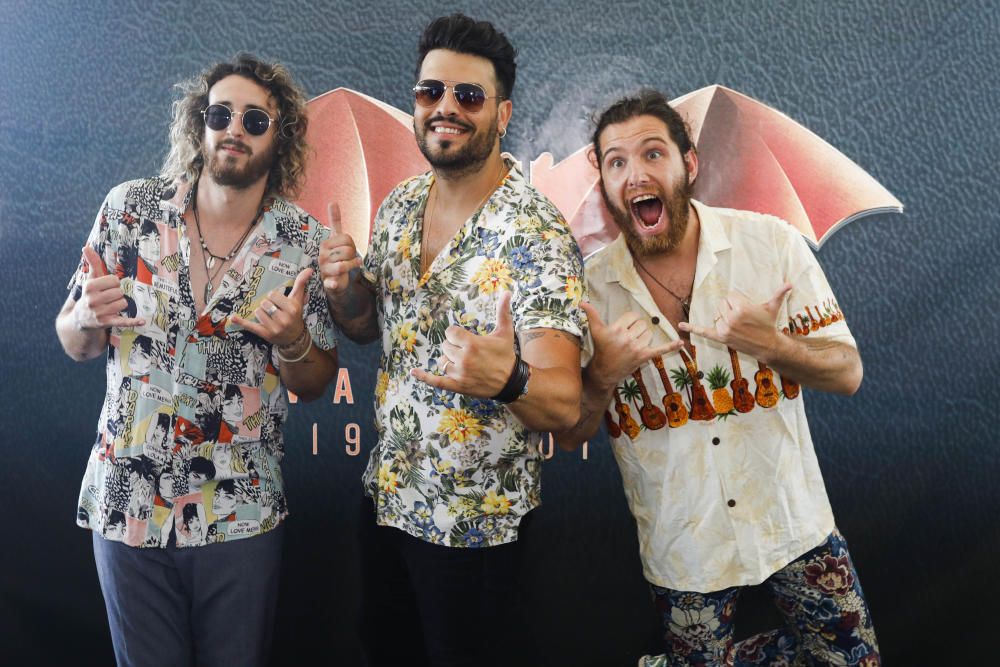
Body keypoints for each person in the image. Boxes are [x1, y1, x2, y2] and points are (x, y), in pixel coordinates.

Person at [555, 90, 880, 666]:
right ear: (603, 184)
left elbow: (847, 371)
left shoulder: (770, 245)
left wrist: (771, 344)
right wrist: (602, 376)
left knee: (855, 662)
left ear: (690, 164)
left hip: (792, 523)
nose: (636, 174)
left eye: (654, 153)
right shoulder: (586, 292)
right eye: (617, 162)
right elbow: (572, 432)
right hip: (684, 547)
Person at [54, 53, 339, 667]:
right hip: (128, 503)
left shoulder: (304, 244)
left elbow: (315, 381)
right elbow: (74, 340)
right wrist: (82, 319)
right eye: (220, 113)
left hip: (238, 513)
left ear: (280, 133)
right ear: (199, 124)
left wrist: (292, 341)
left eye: (255, 119)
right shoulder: (129, 211)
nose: (234, 128)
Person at [320, 13, 585, 666]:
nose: (445, 108)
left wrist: (509, 378)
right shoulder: (400, 205)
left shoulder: (537, 235)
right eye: (430, 92)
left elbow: (564, 403)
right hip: (388, 496)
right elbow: (367, 328)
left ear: (502, 114)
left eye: (468, 96)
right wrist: (346, 288)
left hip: (475, 527)